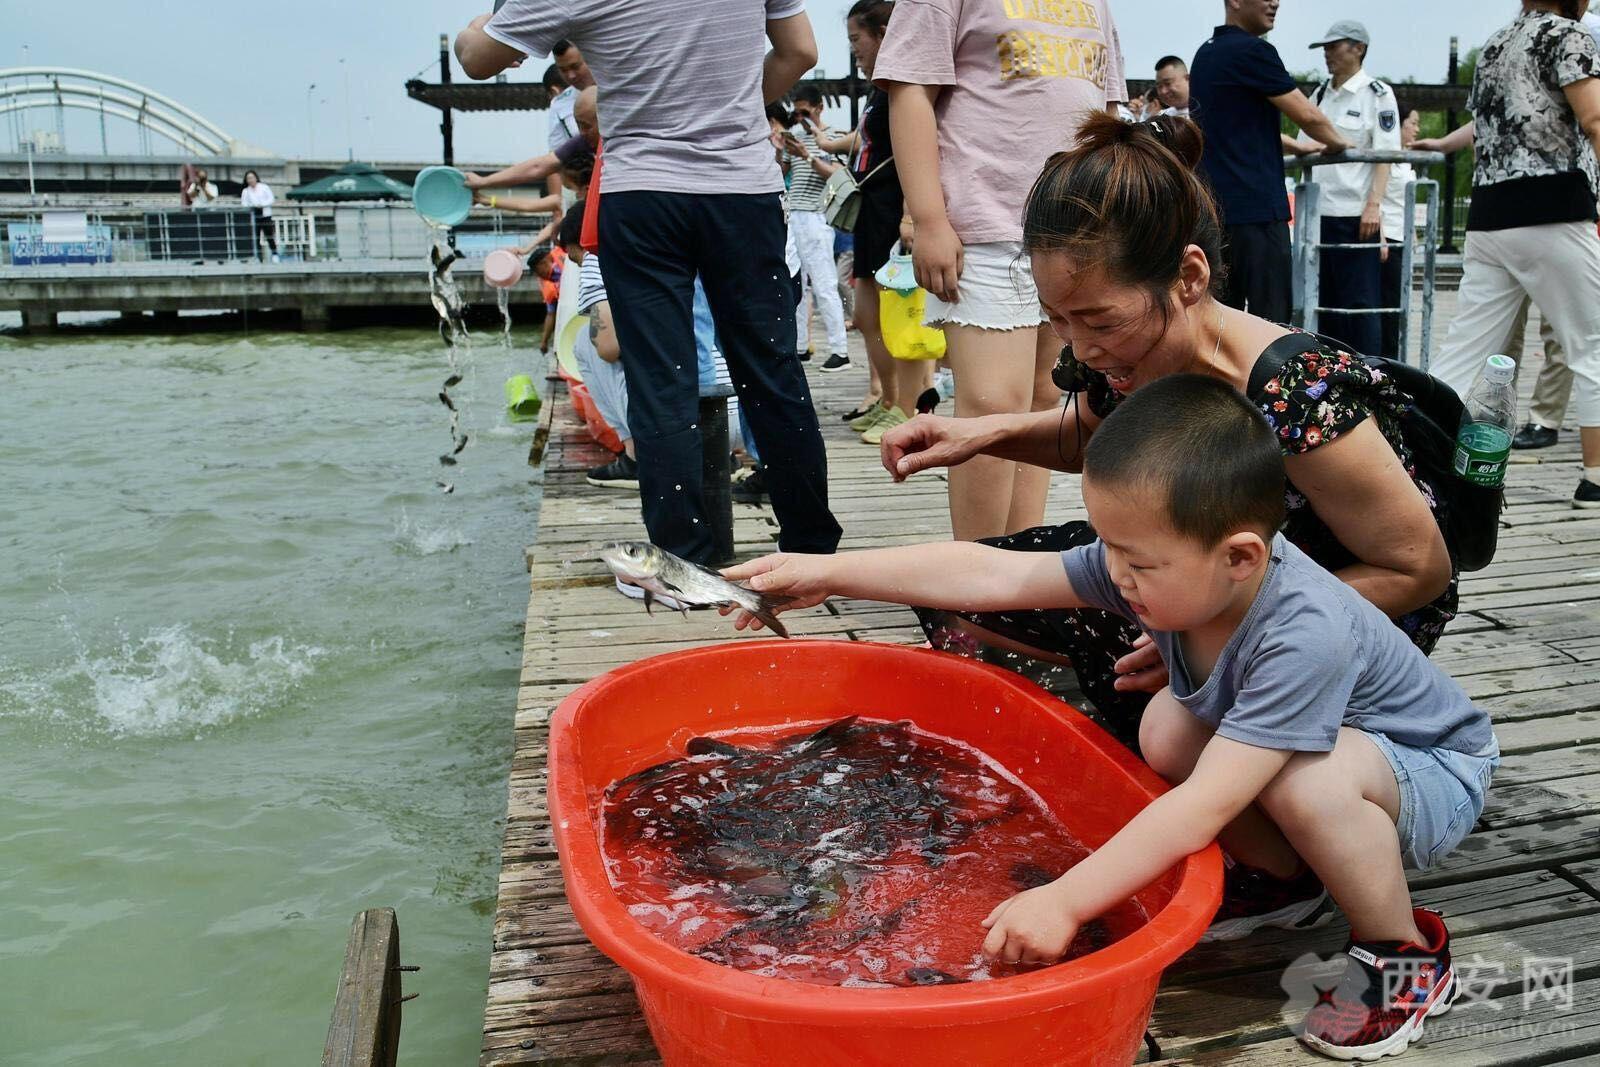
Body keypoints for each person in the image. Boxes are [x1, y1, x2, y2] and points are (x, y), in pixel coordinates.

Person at [722, 374, 1498, 1061]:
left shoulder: (1305, 632)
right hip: (1337, 756)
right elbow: (993, 570)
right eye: (1110, 548)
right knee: (1166, 726)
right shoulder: (1167, 560)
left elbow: (1206, 803)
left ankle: (1402, 951)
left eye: (1138, 562)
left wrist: (1066, 897)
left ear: (1240, 558)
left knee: (1309, 783)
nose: (1115, 573)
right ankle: (1289, 879)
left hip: (1430, 767)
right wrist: (829, 571)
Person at [878, 115, 1458, 756]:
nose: (1080, 348)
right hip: (1205, 572)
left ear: (1189, 278)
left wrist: (1218, 627)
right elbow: (1090, 439)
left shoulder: (1294, 391)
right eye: (1059, 321)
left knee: (1131, 658)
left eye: (1098, 320)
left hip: (1337, 609)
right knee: (960, 598)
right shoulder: (1140, 352)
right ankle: (1092, 747)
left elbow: (1417, 569)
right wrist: (979, 434)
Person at [456, 0, 842, 566]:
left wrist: (475, 26)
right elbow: (800, 51)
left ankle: (684, 559)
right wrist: (726, 110)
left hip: (640, 194)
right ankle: (811, 548)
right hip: (743, 192)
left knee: (663, 379)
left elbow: (478, 59)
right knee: (771, 370)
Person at [874, 0, 1126, 542]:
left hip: (1078, 231)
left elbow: (1106, 110)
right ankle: (974, 591)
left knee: (1046, 406)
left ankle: (1016, 571)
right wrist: (929, 217)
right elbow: (910, 89)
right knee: (989, 405)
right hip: (983, 225)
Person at [1414, 0, 1600, 509]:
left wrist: (1442, 145)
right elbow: (1596, 118)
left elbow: (1489, 124)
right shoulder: (1569, 35)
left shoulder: (1497, 43)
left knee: (1464, 352)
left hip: (1490, 215)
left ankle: (1412, 460)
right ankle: (1596, 479)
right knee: (1594, 345)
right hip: (1553, 207)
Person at [811, 0, 934, 443]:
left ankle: (910, 407)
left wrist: (911, 215)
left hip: (894, 211)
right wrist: (826, 142)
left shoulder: (908, 82)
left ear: (884, 33)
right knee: (867, 314)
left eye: (856, 40)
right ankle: (887, 400)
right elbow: (867, 139)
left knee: (902, 315)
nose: (853, 51)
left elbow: (920, 149)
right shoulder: (880, 87)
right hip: (870, 209)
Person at [1189, 0, 1354, 324]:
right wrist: (1341, 144)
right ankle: (1266, 377)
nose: (1275, 2)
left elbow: (1231, 128)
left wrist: (1296, 146)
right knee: (1272, 322)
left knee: (1218, 324)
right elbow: (1308, 115)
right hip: (1258, 213)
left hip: (1214, 213)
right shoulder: (1254, 51)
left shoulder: (1204, 55)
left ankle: (1216, 378)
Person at [1293, 20, 1400, 357]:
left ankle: (1370, 379)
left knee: (1360, 306)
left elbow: (1386, 154)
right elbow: (1304, 146)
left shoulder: (1377, 95)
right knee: (1322, 304)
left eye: (1334, 46)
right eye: (1325, 48)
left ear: (1358, 48)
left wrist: (1374, 205)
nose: (1327, 54)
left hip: (1356, 214)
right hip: (1319, 216)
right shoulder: (1320, 93)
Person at [780, 84, 853, 372]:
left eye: (805, 112)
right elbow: (783, 172)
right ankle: (800, 346)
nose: (800, 118)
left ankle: (840, 350)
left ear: (819, 107)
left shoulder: (833, 137)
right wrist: (780, 151)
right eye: (796, 113)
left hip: (816, 214)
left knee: (824, 285)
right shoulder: (795, 136)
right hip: (792, 214)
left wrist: (805, 155)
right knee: (796, 286)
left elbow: (836, 176)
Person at [1378, 99, 1421, 360]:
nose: (1417, 129)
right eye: (1412, 123)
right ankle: (1389, 361)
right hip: (1389, 238)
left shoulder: (1405, 160)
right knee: (1390, 305)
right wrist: (1380, 237)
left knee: (1402, 303)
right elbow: (1378, 198)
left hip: (1403, 239)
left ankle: (1397, 359)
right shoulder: (1388, 160)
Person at [239, 170, 279, 263]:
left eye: (252, 177)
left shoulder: (264, 187)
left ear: (256, 178)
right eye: (248, 178)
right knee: (255, 237)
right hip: (254, 216)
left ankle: (274, 254)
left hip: (265, 214)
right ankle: (258, 257)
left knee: (269, 235)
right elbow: (244, 203)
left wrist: (262, 204)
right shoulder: (246, 191)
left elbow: (271, 199)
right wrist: (253, 205)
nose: (250, 180)